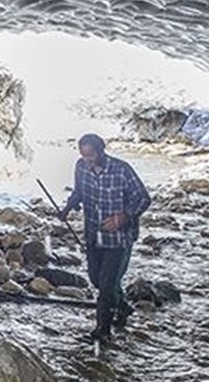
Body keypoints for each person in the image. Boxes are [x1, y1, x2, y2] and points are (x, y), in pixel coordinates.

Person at [59, 134, 151, 343]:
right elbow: (79, 192)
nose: (88, 160)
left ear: (101, 150)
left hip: (119, 239)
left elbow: (144, 198)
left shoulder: (122, 170)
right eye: (84, 155)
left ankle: (102, 330)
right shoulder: (81, 167)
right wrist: (67, 208)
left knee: (108, 284)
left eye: (91, 155)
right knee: (96, 279)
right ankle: (123, 307)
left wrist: (125, 216)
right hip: (93, 234)